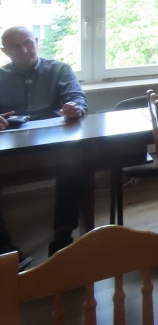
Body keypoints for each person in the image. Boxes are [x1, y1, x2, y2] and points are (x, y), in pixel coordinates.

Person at [0, 26, 89, 269]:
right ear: (5, 51)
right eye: (15, 46)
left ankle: (63, 236)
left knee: (75, 164)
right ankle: (5, 250)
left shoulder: (59, 69)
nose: (24, 50)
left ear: (37, 41)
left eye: (28, 42)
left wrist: (75, 107)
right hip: (10, 143)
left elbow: (78, 98)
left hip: (53, 140)